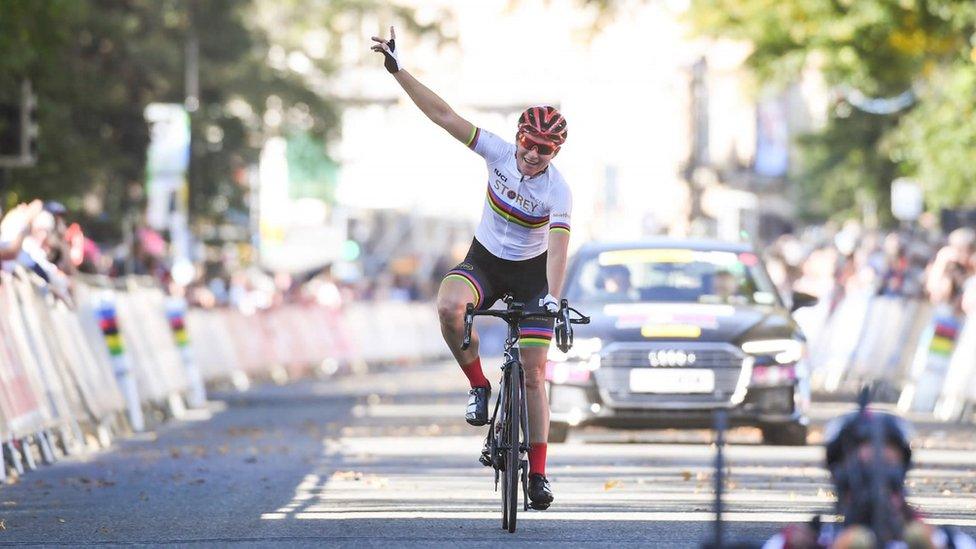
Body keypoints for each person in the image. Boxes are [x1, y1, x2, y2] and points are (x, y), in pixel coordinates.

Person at [372, 27, 573, 510]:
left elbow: (560, 245)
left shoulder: (558, 192)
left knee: (532, 374)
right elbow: (444, 116)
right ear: (519, 137)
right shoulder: (498, 153)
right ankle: (479, 385)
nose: (531, 153)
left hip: (531, 276)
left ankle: (539, 476)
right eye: (528, 142)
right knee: (448, 306)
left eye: (543, 149)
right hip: (484, 262)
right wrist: (399, 70)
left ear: (555, 154)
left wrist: (552, 296)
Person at [762, 400, 975, 548]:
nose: (874, 484)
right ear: (838, 474)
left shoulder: (946, 542)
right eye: (862, 471)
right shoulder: (800, 542)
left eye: (886, 467)